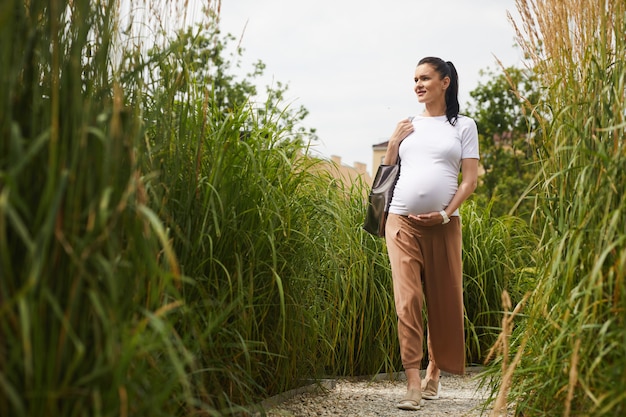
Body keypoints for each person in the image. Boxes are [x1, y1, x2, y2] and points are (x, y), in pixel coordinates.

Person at [383, 56, 479, 411]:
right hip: (401, 222)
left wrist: (444, 213)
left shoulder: (463, 126)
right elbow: (387, 173)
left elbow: (469, 179)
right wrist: (393, 144)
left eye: (425, 78)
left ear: (445, 82)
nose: (418, 85)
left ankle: (434, 374)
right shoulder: (406, 125)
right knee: (408, 300)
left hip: (443, 225)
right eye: (414, 79)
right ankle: (411, 381)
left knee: (443, 299)